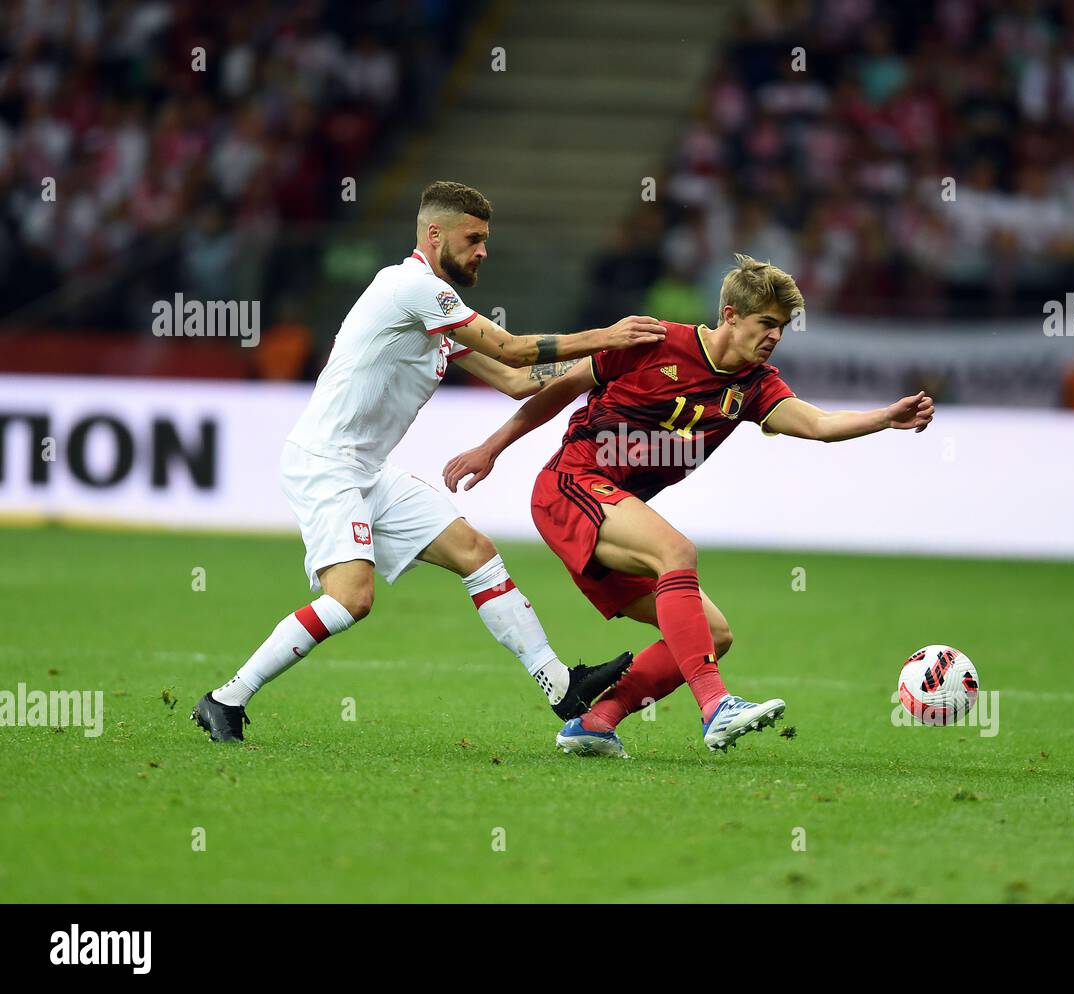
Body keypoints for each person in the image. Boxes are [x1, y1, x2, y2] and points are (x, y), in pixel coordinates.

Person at [191, 181, 666, 742]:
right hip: (326, 463)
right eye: (474, 239)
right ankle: (226, 698)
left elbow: (514, 380)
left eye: (486, 240)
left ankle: (561, 686)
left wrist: (607, 363)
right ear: (435, 234)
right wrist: (604, 337)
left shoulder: (438, 310)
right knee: (351, 598)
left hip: (367, 469)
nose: (483, 251)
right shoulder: (409, 287)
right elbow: (512, 349)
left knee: (476, 553)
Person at [443, 254, 934, 757]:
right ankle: (716, 706)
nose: (774, 337)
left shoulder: (754, 386)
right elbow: (557, 389)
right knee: (678, 551)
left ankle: (595, 721)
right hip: (571, 486)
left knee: (713, 634)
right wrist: (491, 448)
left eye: (782, 328)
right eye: (766, 323)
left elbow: (818, 425)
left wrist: (883, 418)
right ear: (730, 315)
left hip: (614, 515)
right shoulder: (654, 342)